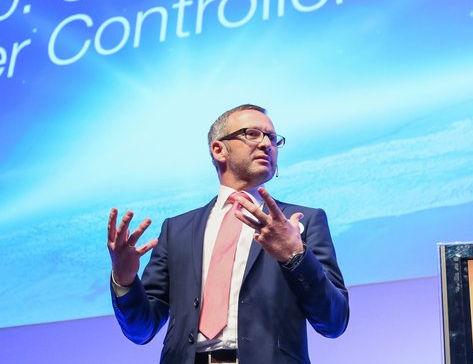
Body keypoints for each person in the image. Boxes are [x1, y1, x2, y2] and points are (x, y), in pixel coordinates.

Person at [107, 104, 348, 363]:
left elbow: (333, 322)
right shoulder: (176, 230)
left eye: (273, 138)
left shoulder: (304, 221)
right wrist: (124, 278)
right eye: (252, 134)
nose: (266, 144)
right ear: (218, 150)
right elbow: (141, 330)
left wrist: (295, 257)